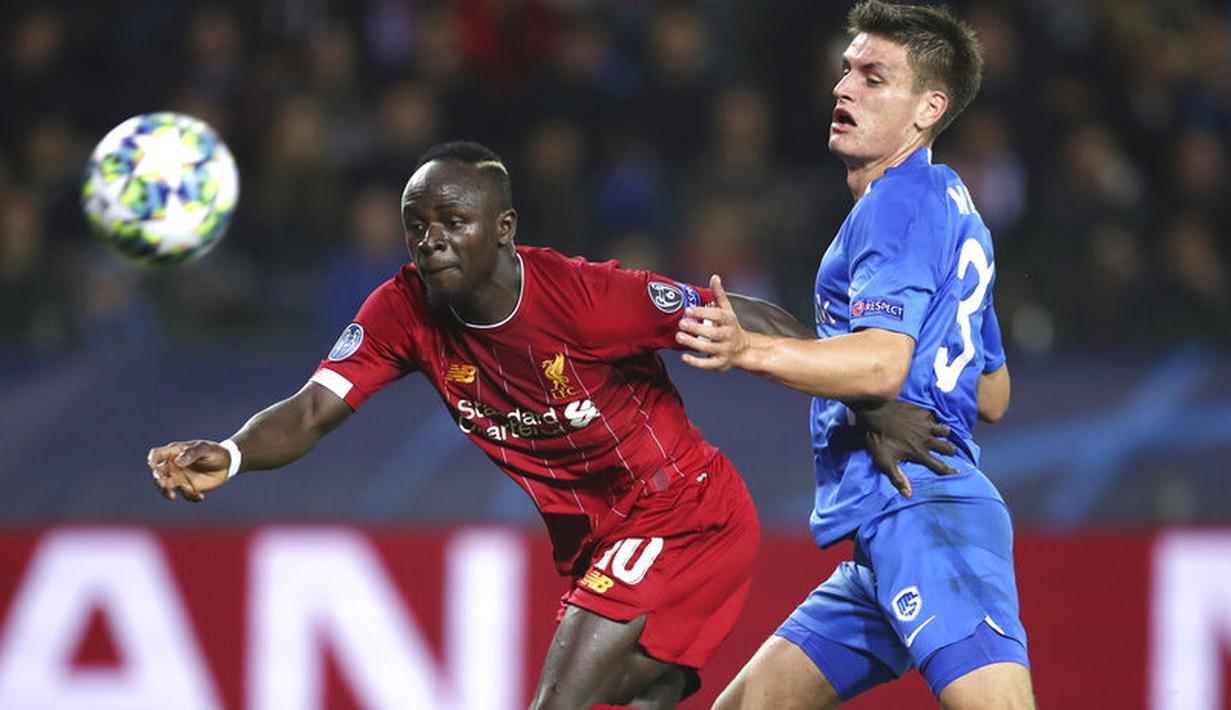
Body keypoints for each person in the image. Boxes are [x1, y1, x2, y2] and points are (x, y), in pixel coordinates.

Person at [147, 141, 953, 710]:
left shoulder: (582, 297)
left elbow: (735, 317)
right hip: (601, 543)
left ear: (502, 229)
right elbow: (314, 408)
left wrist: (867, 400)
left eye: (451, 222)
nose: (430, 242)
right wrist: (232, 452)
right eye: (416, 226)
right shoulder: (401, 311)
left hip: (681, 516)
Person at [677, 2, 1034, 708]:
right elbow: (991, 393)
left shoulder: (894, 207)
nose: (844, 89)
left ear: (928, 108)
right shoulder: (953, 205)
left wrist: (748, 349)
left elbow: (879, 365)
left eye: (874, 78)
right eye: (847, 71)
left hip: (923, 512)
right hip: (886, 533)